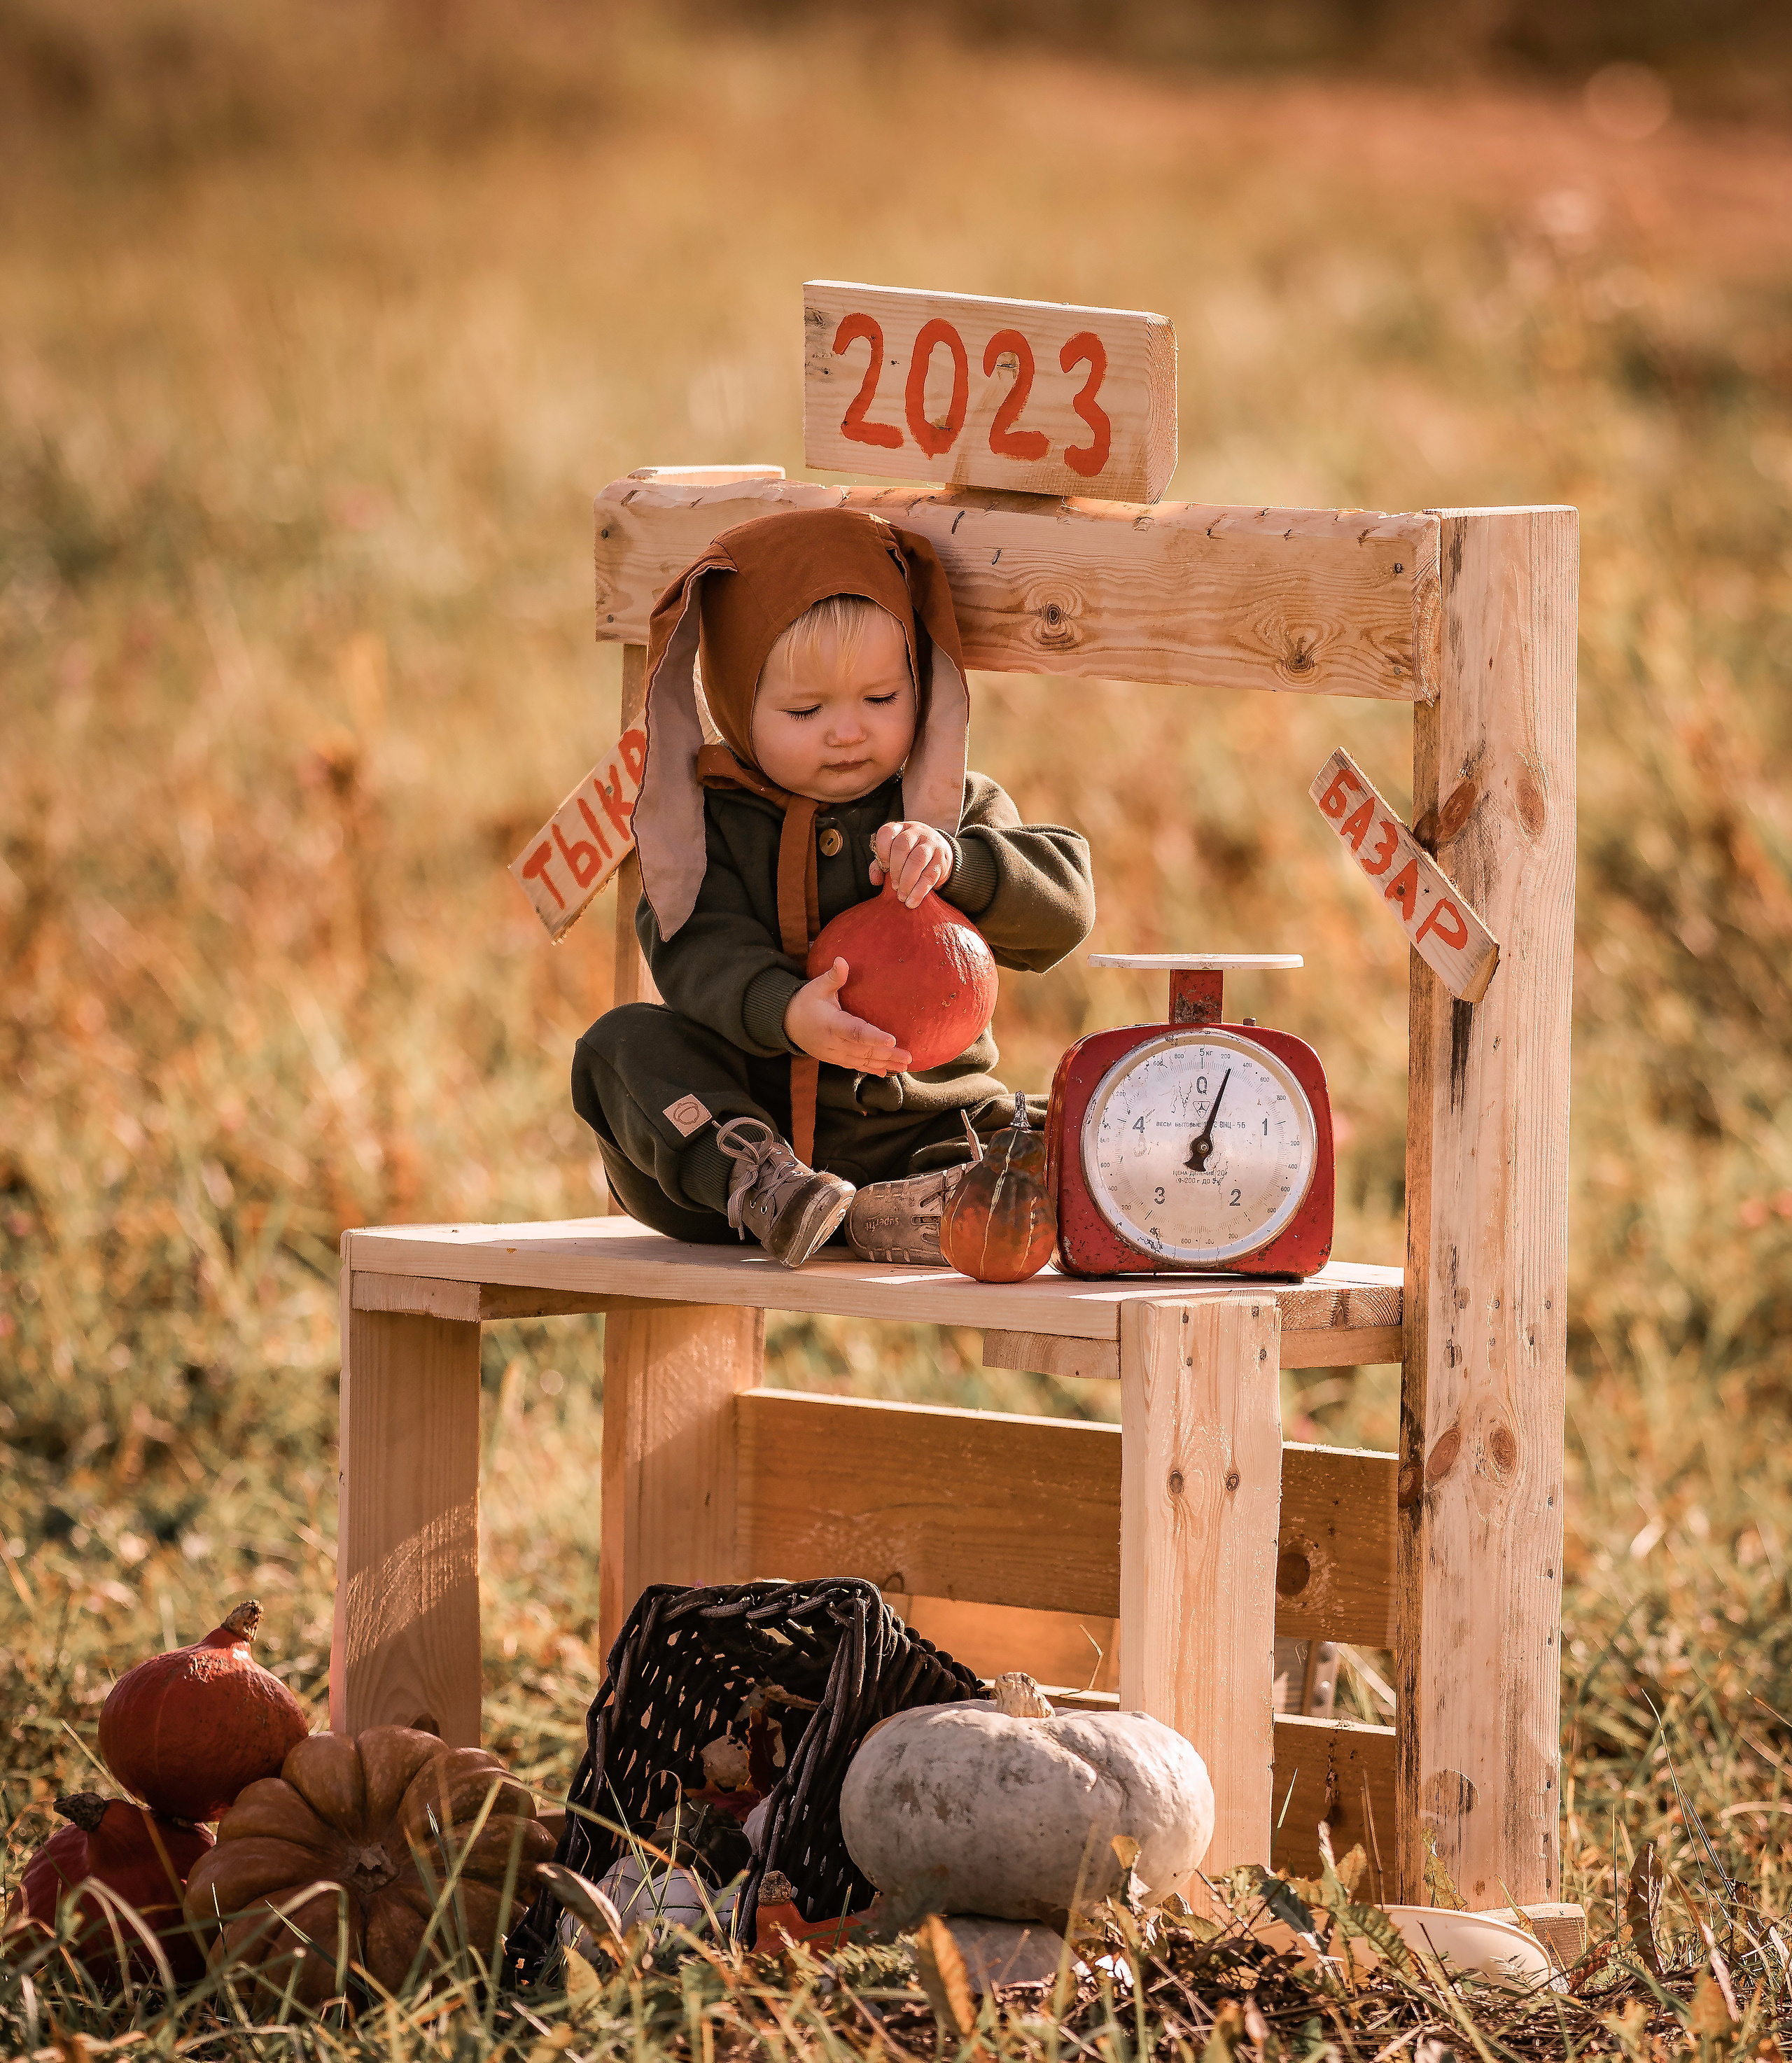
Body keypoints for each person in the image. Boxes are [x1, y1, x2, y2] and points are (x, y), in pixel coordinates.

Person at [571, 507, 1096, 1267]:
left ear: (918, 683)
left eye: (880, 699)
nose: (847, 731)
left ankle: (934, 1201)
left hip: (929, 1127)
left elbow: (1067, 904)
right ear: (734, 703)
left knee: (1070, 1116)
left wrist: (959, 864)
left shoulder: (946, 805)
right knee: (617, 1046)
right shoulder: (709, 827)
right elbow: (697, 950)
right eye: (805, 710)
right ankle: (770, 1188)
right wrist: (786, 1011)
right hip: (743, 1134)